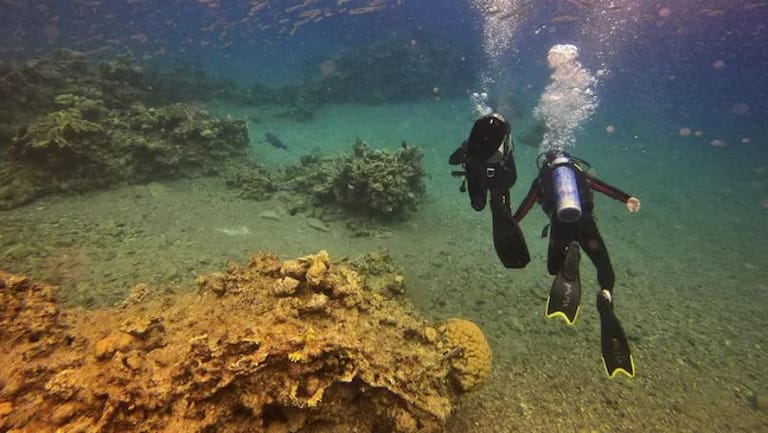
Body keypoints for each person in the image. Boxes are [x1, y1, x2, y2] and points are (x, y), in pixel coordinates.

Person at [513, 151, 641, 378]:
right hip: (585, 222)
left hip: (560, 224)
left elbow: (527, 204)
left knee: (554, 268)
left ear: (546, 162)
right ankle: (605, 296)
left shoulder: (543, 179)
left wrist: (512, 224)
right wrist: (626, 198)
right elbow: (603, 186)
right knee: (604, 267)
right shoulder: (578, 173)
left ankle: (570, 256)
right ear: (567, 159)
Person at [449, 113, 530, 268]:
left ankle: (494, 203)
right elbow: (512, 177)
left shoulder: (473, 144)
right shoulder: (505, 146)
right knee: (498, 208)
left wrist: (466, 152)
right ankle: (513, 254)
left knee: (478, 205)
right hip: (497, 179)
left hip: (477, 176)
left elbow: (452, 160)